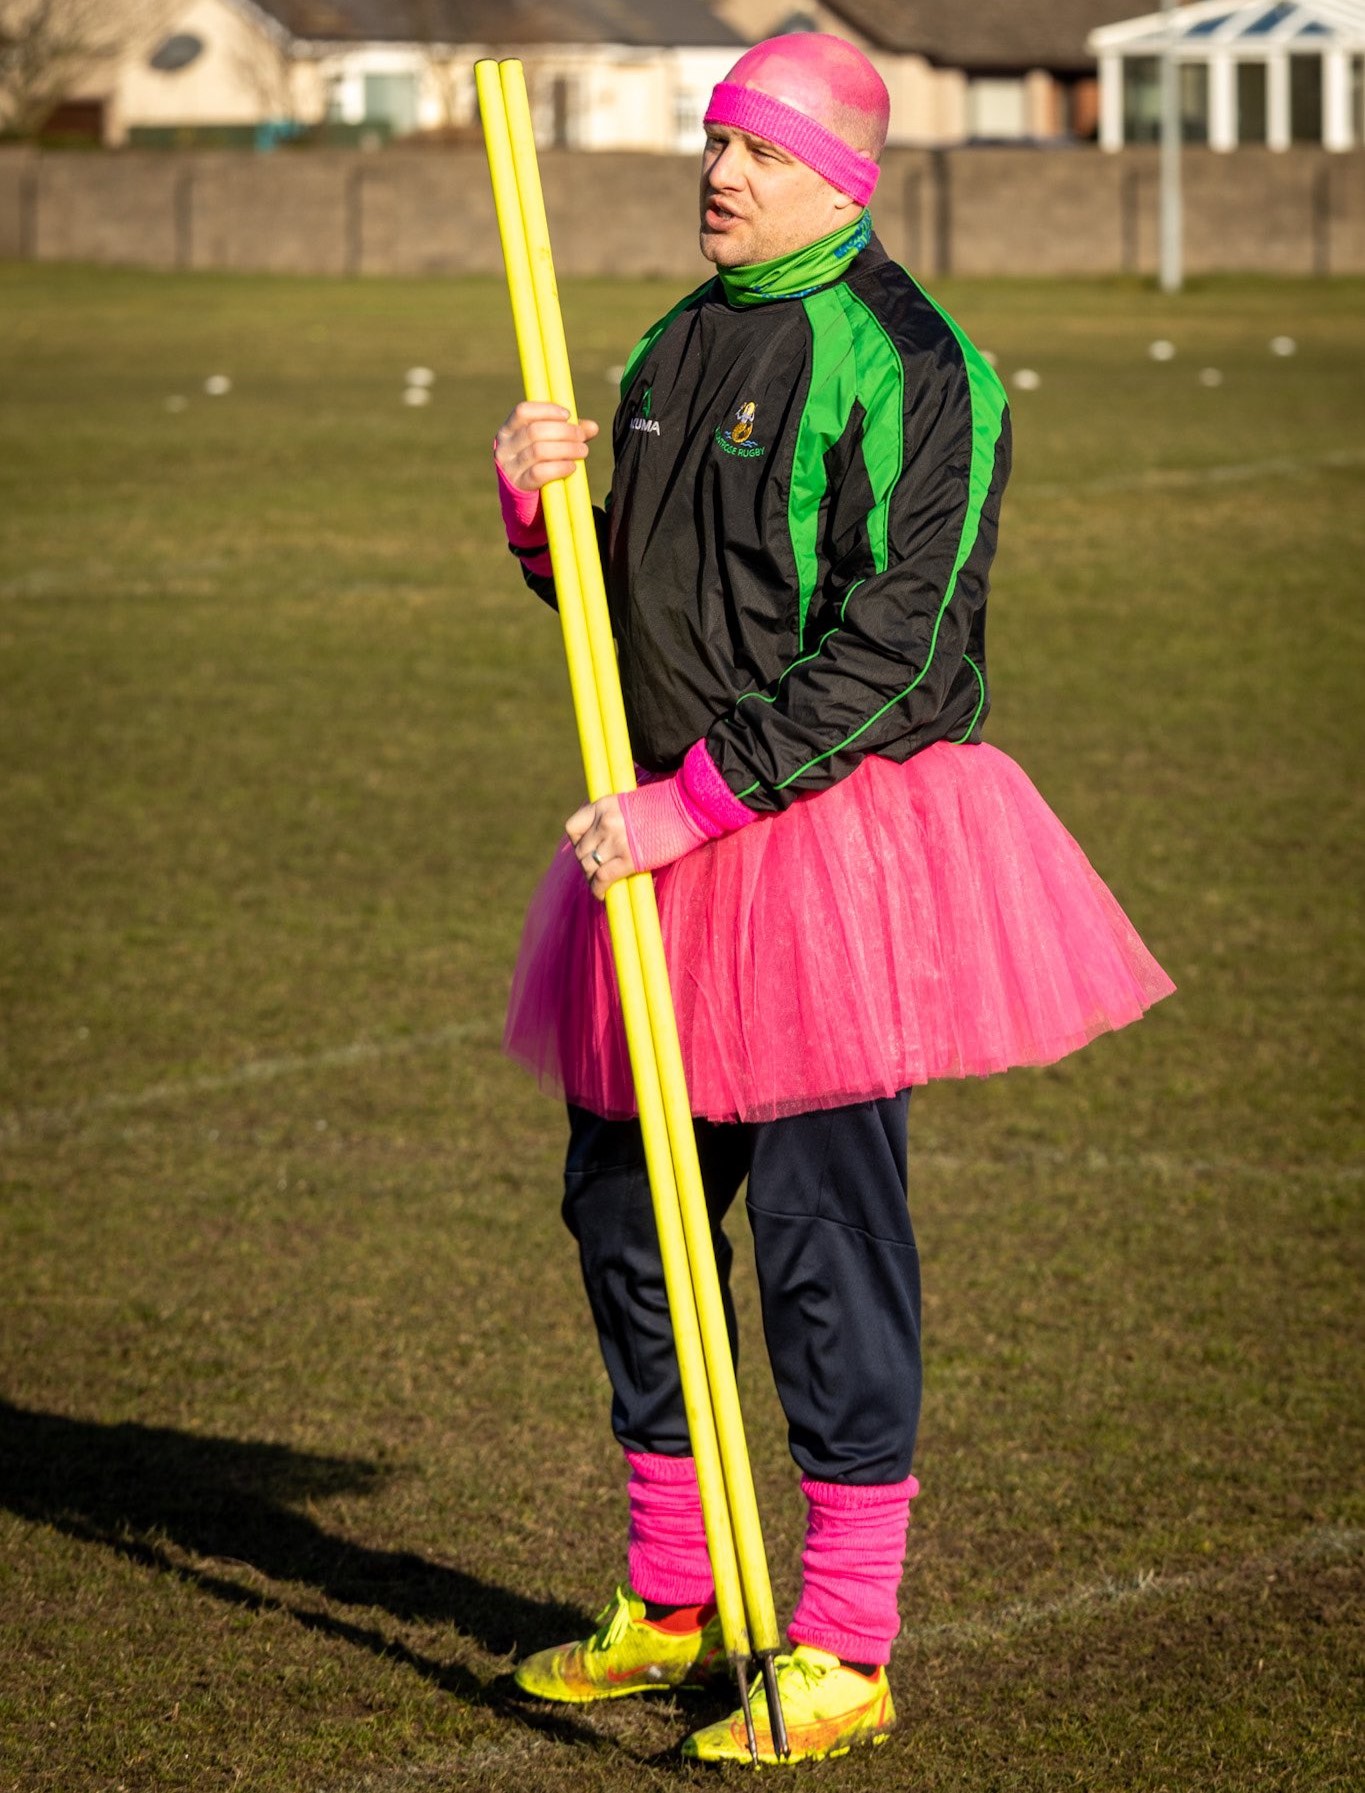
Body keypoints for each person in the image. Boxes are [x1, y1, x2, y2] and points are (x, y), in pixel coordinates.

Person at [490, 32, 1173, 1769]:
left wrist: (694, 804)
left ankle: (845, 1638)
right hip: (660, 846)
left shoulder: (913, 361)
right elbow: (606, 599)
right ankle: (672, 1597)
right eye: (712, 146)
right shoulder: (669, 340)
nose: (719, 176)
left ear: (841, 175)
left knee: (817, 1241)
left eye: (758, 154)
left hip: (811, 850)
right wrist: (531, 509)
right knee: (629, 1219)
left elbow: (908, 644)